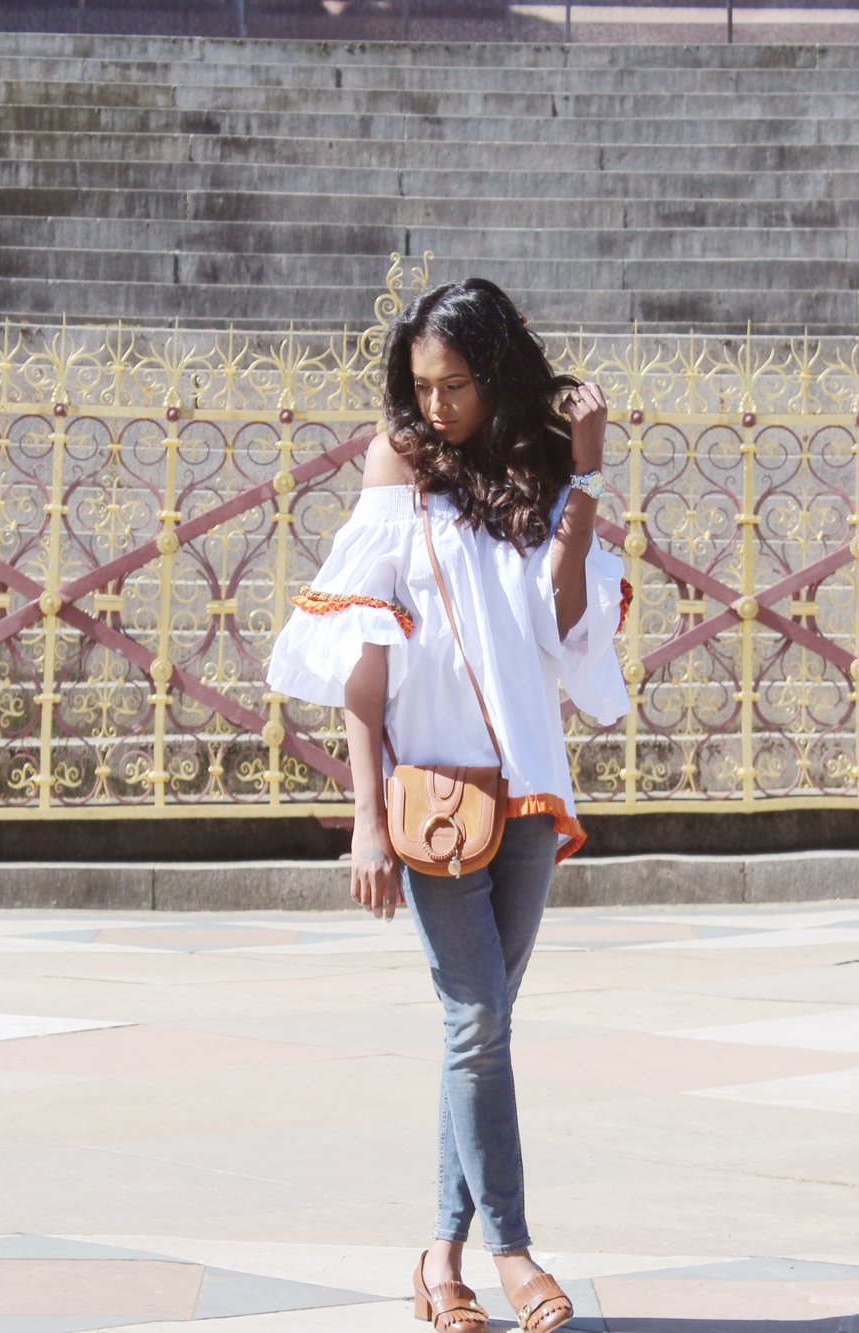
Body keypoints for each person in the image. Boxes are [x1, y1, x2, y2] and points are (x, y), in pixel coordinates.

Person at [266, 278, 629, 1332]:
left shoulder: (541, 463)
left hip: (523, 788)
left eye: (455, 385)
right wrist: (365, 818)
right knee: (474, 1020)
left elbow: (563, 619)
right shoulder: (397, 468)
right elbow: (363, 662)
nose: (435, 406)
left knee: (484, 1029)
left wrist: (588, 472)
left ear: (497, 373)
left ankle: (437, 1259)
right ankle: (513, 1253)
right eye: (420, 385)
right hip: (427, 794)